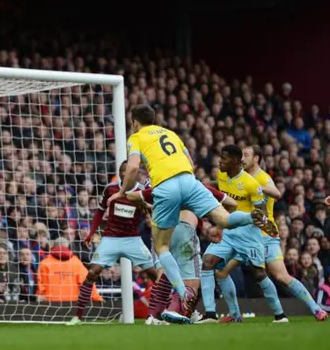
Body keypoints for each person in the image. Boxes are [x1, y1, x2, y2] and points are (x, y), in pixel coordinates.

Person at [109, 104, 267, 324]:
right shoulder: (171, 134)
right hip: (189, 181)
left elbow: (134, 168)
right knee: (224, 219)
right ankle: (253, 216)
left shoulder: (136, 138)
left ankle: (183, 295)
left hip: (165, 187)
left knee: (161, 247)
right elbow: (191, 164)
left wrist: (121, 192)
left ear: (135, 122)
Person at [215, 145, 328, 322]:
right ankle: (235, 315)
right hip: (241, 235)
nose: (242, 159)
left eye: (246, 155)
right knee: (221, 272)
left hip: (264, 235)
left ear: (256, 158)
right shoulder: (234, 177)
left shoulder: (262, 177)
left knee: (280, 276)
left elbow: (277, 193)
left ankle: (315, 309)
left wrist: (256, 186)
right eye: (241, 155)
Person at [198, 144, 285, 324]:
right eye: (220, 157)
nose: (219, 161)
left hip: (249, 234)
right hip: (228, 231)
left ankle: (280, 315)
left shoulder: (252, 184)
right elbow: (222, 198)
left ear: (236, 161)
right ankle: (211, 314)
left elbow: (260, 213)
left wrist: (266, 225)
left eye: (224, 158)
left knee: (259, 274)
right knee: (207, 263)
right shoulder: (221, 175)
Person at [128, 183, 237, 325]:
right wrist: (218, 226)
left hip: (160, 232)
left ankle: (154, 317)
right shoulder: (192, 184)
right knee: (193, 281)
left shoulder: (158, 182)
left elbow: (132, 196)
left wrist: (147, 206)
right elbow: (231, 203)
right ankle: (174, 310)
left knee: (164, 276)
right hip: (184, 229)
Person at [66, 161, 157, 325]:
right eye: (121, 171)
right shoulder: (110, 189)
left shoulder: (142, 191)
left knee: (155, 275)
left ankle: (155, 315)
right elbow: (100, 211)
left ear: (135, 173)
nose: (124, 174)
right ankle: (77, 317)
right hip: (110, 238)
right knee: (92, 272)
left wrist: (148, 207)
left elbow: (152, 211)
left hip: (132, 239)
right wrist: (92, 233)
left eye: (127, 171)